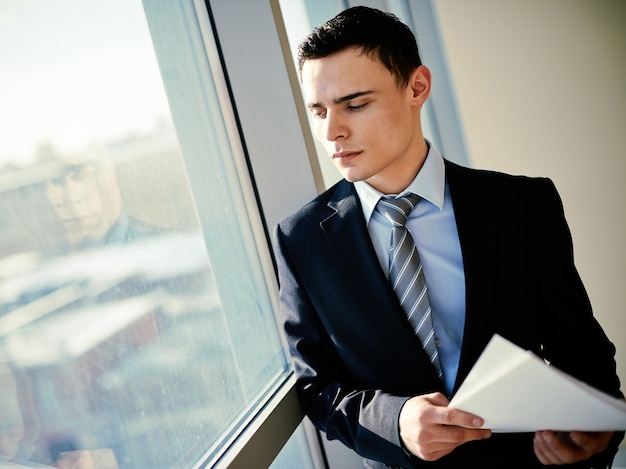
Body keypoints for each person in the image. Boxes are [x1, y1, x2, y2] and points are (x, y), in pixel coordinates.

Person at [273, 6, 623, 469]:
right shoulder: (303, 239)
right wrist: (395, 421)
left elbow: (580, 349)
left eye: (355, 104)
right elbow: (317, 387)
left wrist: (596, 437)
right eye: (319, 110)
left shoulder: (523, 205)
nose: (332, 130)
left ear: (417, 87)